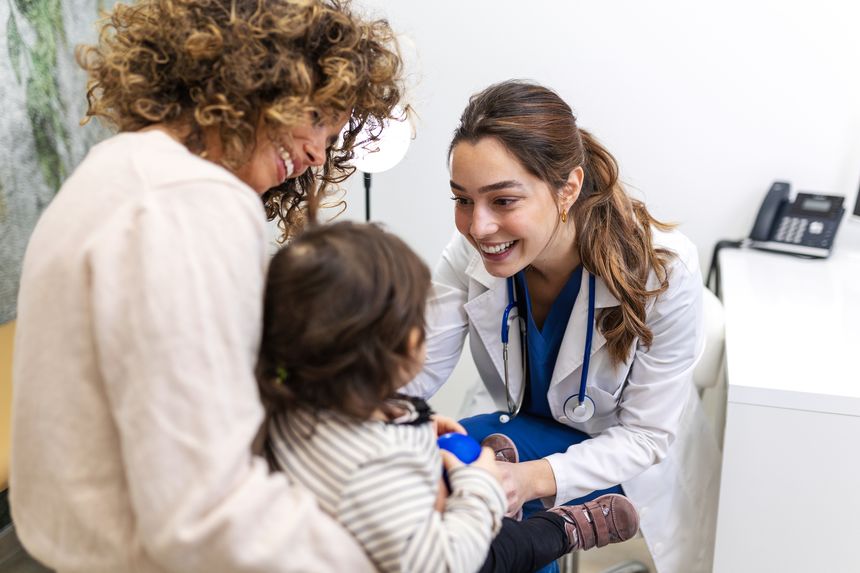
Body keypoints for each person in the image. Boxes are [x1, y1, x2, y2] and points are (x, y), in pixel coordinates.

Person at [10, 1, 403, 571]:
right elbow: (207, 514)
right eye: (317, 117)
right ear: (258, 76)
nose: (319, 153)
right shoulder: (191, 204)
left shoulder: (125, 168)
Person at [405, 81, 721, 573]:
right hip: (524, 433)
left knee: (481, 494)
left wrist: (526, 480)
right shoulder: (470, 251)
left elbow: (644, 438)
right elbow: (416, 369)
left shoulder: (663, 271)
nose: (477, 226)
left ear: (567, 189)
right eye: (462, 199)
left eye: (503, 201)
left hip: (619, 460)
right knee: (440, 472)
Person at [255, 221, 639, 573]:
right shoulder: (373, 465)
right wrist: (483, 487)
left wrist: (410, 423)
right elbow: (445, 562)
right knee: (504, 547)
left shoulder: (292, 413)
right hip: (440, 547)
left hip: (394, 515)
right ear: (404, 344)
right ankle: (561, 527)